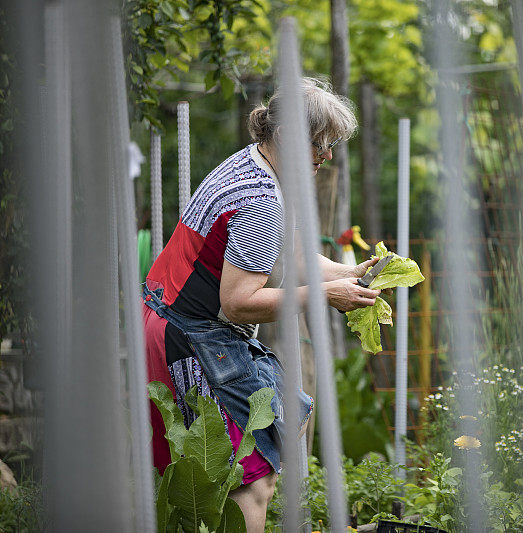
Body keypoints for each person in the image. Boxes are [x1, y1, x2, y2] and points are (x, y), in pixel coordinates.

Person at [142, 77, 380, 532]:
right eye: (321, 143)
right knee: (249, 479)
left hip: (174, 321)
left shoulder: (254, 168)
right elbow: (239, 303)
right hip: (189, 337)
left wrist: (351, 273)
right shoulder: (259, 199)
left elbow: (283, 256)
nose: (327, 156)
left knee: (222, 473)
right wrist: (326, 297)